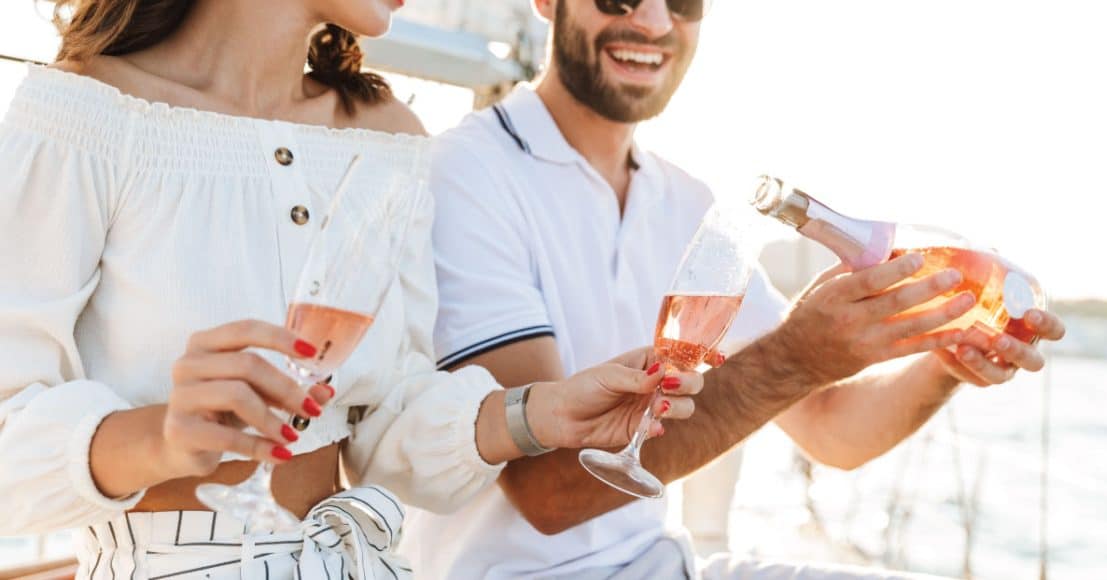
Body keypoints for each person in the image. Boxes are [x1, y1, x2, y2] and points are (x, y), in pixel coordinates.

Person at [0, 0, 707, 577]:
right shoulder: (79, 120)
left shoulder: (388, 138)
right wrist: (157, 436)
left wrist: (541, 413)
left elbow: (385, 417)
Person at [398, 0, 1068, 578]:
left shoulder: (688, 201)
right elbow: (551, 493)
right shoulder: (467, 173)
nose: (654, 22)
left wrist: (945, 359)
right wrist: (796, 357)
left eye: (683, 0)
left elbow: (834, 435)